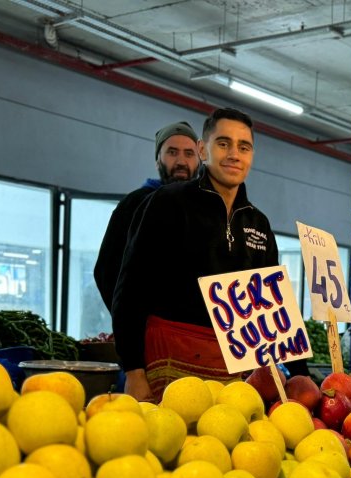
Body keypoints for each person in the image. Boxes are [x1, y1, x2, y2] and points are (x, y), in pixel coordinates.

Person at [112, 108, 282, 401]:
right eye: (223, 143)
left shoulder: (258, 224)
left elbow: (267, 313)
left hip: (233, 378)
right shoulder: (167, 203)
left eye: (244, 147)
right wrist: (134, 372)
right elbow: (130, 289)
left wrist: (283, 370)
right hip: (166, 368)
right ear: (203, 149)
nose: (234, 154)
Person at [94, 121, 200, 312]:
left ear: (199, 160)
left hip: (194, 335)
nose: (181, 161)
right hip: (148, 331)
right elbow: (106, 270)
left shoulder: (208, 210)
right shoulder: (134, 204)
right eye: (172, 152)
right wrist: (130, 325)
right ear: (158, 160)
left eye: (189, 153)